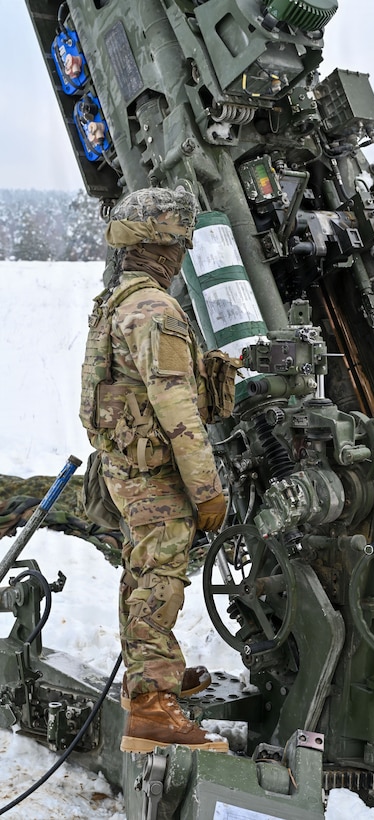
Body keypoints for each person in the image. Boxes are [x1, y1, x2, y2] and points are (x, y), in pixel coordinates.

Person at [79, 186, 228, 754]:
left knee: (140, 569)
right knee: (160, 576)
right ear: (162, 243)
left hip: (125, 467)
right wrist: (207, 490)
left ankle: (151, 672)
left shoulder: (116, 300)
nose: (182, 254)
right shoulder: (154, 310)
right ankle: (151, 707)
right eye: (179, 243)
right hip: (154, 475)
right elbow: (178, 410)